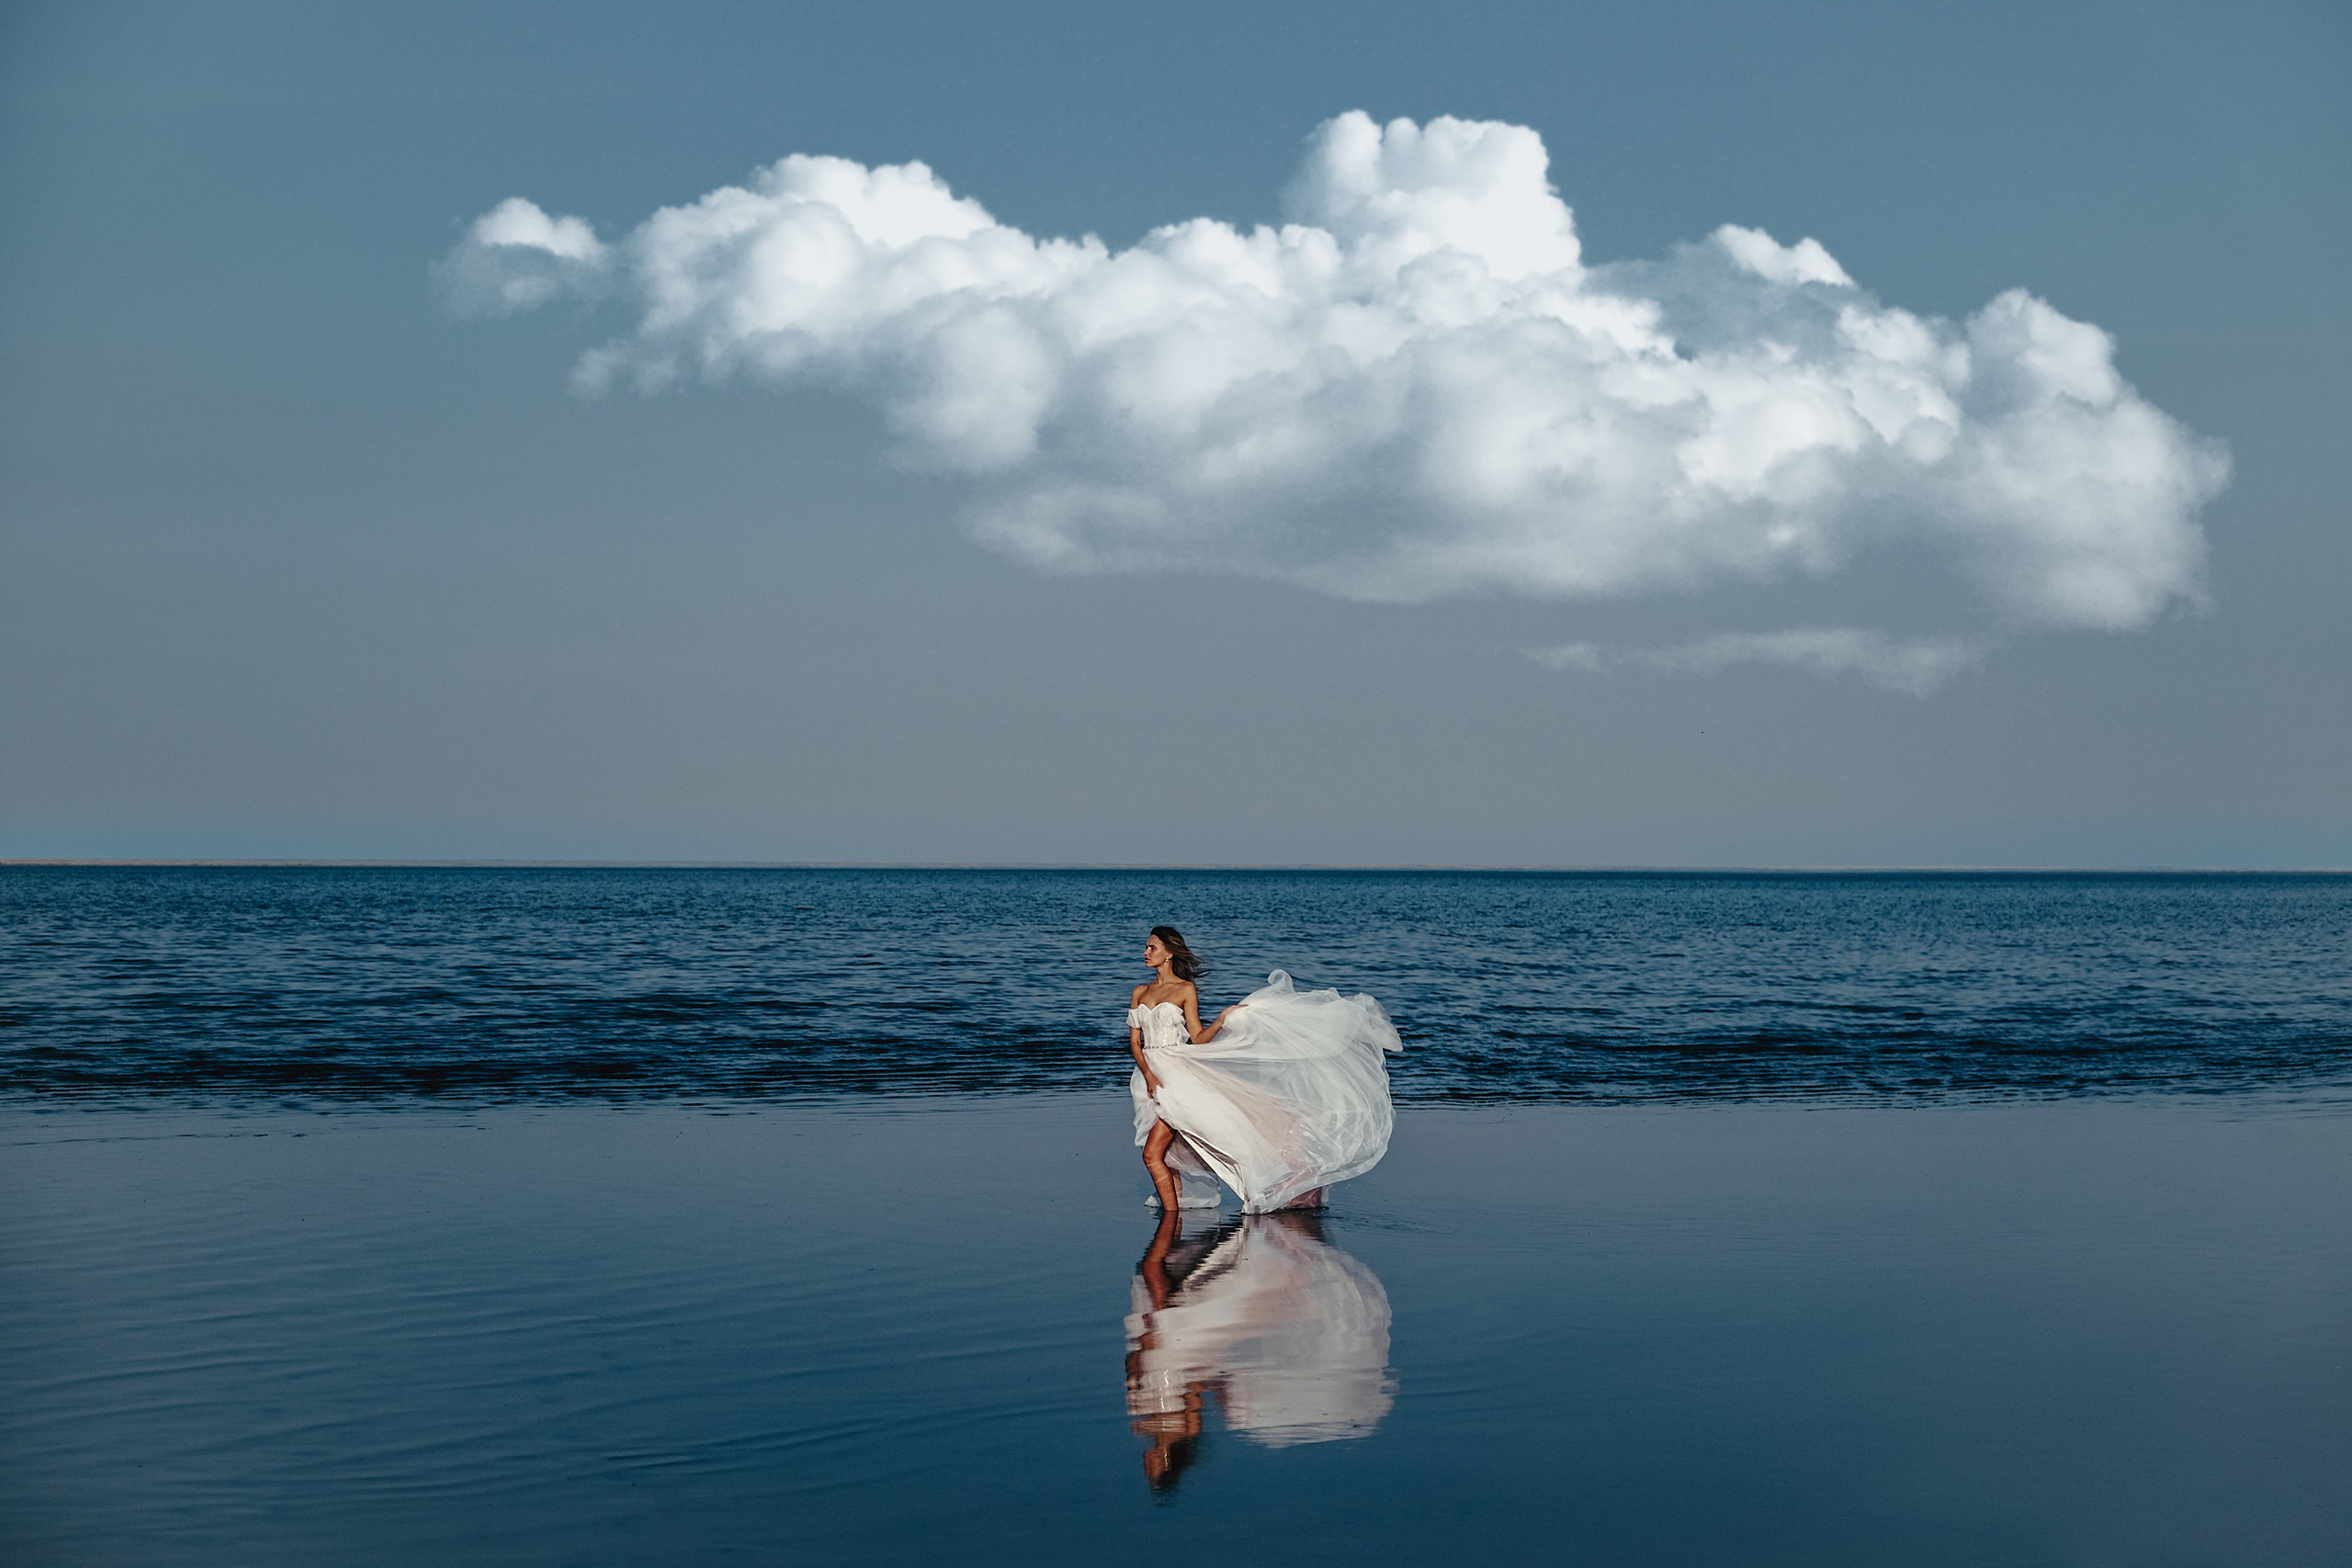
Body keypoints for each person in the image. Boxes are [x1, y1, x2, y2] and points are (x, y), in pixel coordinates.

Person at [1126, 925, 1402, 1213]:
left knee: (1155, 1154)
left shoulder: (1185, 989)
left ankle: (1173, 1218)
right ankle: (1173, 1215)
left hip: (1177, 1076)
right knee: (1167, 1155)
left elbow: (1198, 1039)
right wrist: (1148, 1074)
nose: (1146, 952)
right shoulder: (1140, 992)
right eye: (1146, 947)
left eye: (1152, 947)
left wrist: (1221, 1019)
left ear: (1169, 953)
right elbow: (1135, 1042)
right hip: (1149, 1074)